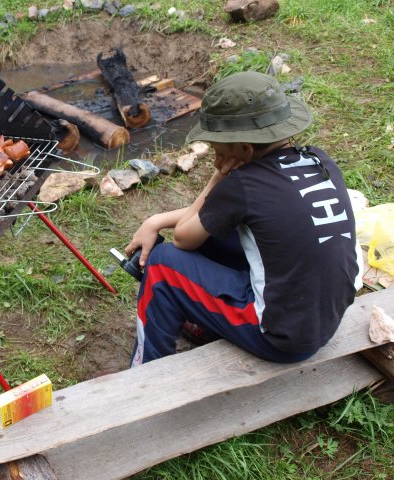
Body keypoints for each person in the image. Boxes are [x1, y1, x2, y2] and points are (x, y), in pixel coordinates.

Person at [126, 71, 362, 367]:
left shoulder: (241, 185)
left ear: (245, 150)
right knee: (219, 232)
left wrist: (218, 178)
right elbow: (215, 217)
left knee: (163, 264)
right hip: (322, 319)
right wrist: (156, 221)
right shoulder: (318, 160)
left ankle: (146, 370)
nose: (216, 158)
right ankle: (209, 322)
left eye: (218, 149)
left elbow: (183, 238)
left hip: (278, 337)